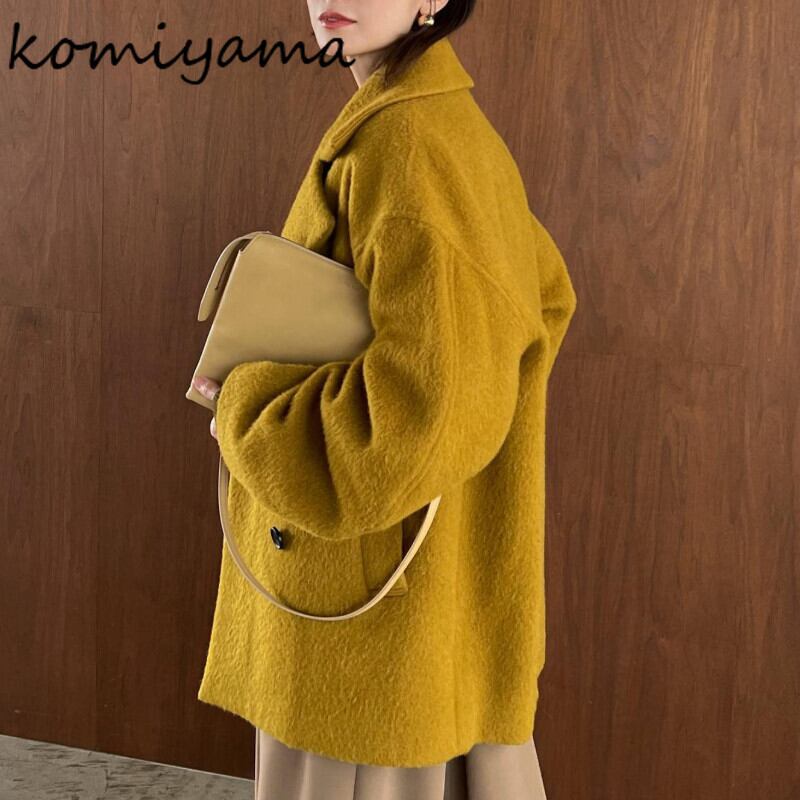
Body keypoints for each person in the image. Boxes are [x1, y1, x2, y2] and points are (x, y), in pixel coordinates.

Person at [191, 0, 577, 797]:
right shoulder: (430, 124)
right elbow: (531, 309)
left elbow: (418, 416)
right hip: (409, 604)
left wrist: (247, 413)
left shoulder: (407, 144)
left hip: (370, 624)